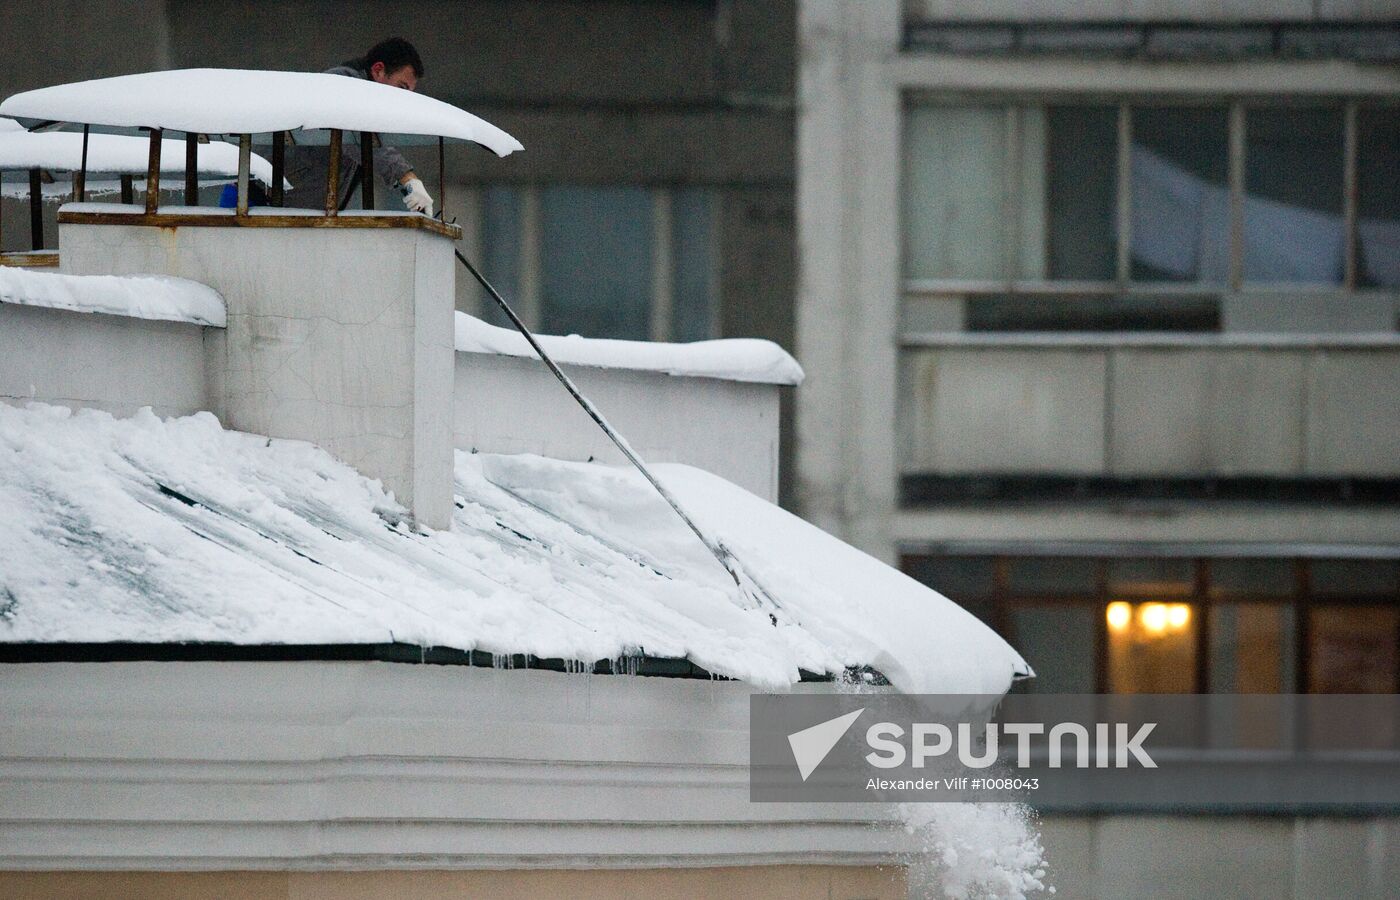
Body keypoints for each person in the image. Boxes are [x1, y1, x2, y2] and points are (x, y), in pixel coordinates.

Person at [280, 37, 435, 215]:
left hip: (291, 212)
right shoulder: (338, 86)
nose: (404, 100)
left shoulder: (364, 107)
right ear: (378, 70)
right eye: (401, 88)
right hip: (264, 200)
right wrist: (407, 177)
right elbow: (353, 134)